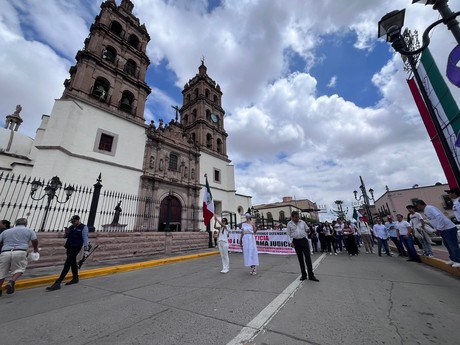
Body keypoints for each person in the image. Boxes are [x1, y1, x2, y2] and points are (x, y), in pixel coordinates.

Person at [46, 215, 89, 291]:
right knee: (72, 262)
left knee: (67, 263)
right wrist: (66, 233)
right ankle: (75, 278)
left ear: (78, 220)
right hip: (69, 246)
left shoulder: (84, 227)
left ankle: (58, 282)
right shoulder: (71, 227)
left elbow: (85, 239)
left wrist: (86, 250)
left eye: (74, 221)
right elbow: (65, 237)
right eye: (72, 222)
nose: (73, 223)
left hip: (76, 247)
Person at [0, 218, 39, 296]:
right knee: (20, 268)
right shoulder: (29, 230)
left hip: (5, 252)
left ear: (16, 223)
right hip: (20, 251)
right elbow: (34, 240)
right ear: (26, 223)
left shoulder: (6, 231)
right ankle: (11, 281)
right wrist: (35, 249)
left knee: (1, 271)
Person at [416, 200, 460, 268]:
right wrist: (437, 229)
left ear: (420, 205)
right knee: (447, 245)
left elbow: (439, 217)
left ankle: (458, 260)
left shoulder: (429, 208)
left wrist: (439, 228)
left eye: (417, 206)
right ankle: (453, 259)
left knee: (453, 245)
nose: (417, 208)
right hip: (443, 229)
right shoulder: (426, 210)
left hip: (448, 228)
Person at [286, 211, 319, 281]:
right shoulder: (289, 224)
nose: (297, 218)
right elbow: (288, 234)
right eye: (296, 217)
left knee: (308, 258)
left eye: (298, 217)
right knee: (300, 259)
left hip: (304, 241)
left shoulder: (302, 222)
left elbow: (307, 229)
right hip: (296, 242)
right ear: (292, 217)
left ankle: (311, 275)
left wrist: (308, 230)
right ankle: (303, 275)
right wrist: (290, 242)